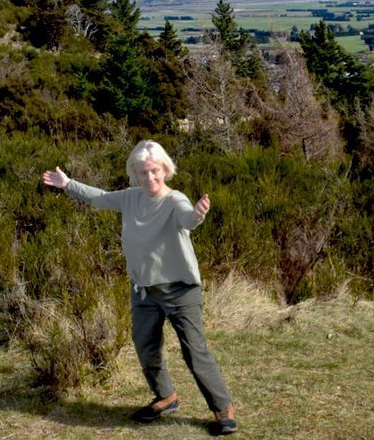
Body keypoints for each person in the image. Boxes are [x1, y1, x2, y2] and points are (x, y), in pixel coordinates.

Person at [42, 140, 237, 435]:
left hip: (180, 290)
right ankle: (166, 397)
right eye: (143, 172)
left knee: (194, 352)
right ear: (135, 173)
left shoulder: (175, 200)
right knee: (145, 346)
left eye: (155, 171)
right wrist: (68, 184)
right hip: (143, 289)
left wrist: (198, 215)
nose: (150, 177)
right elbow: (100, 197)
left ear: (165, 170)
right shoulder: (130, 197)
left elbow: (187, 219)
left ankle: (223, 409)